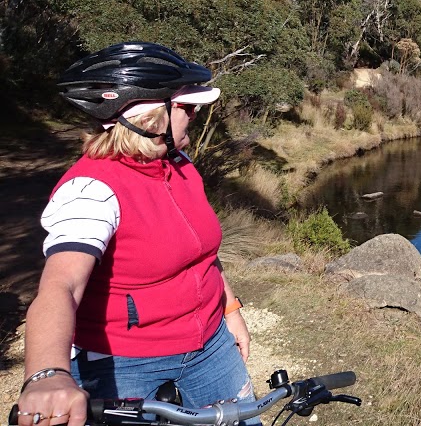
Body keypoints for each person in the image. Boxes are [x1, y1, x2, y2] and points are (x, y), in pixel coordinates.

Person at [15, 42, 257, 426]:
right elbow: (60, 286)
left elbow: (203, 253)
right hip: (127, 360)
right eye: (187, 108)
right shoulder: (91, 191)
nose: (195, 116)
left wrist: (230, 309)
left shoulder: (179, 164)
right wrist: (47, 373)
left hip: (211, 347)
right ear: (149, 118)